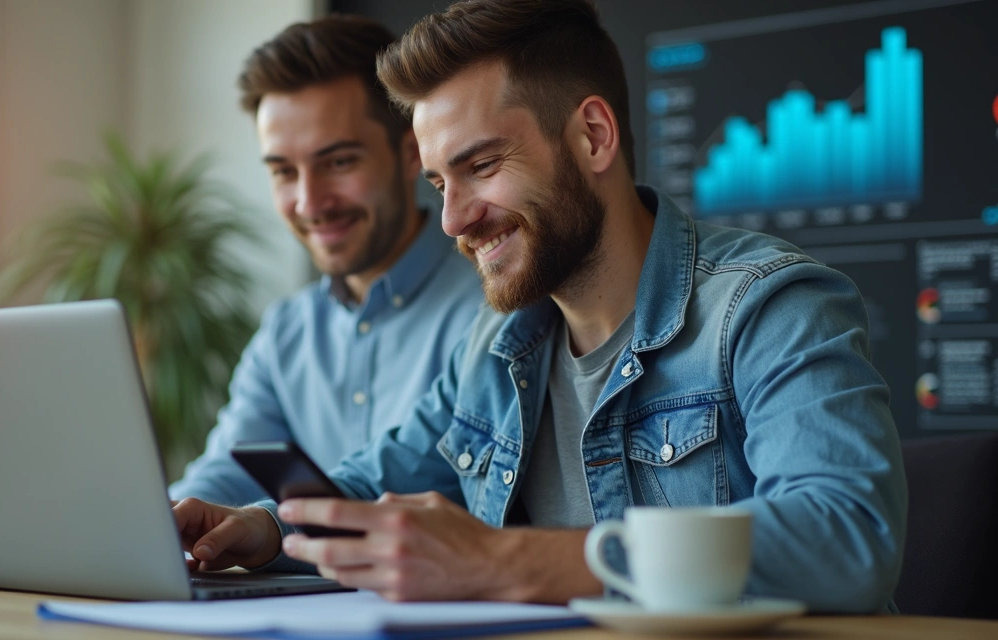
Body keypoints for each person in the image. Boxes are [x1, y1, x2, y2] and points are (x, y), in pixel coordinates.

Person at [172, 0, 907, 613]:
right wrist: (263, 530)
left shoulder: (769, 307)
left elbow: (846, 536)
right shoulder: (497, 343)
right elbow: (378, 481)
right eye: (439, 184)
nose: (453, 220)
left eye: (482, 165)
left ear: (592, 137)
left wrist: (503, 561)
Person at [167, 16, 484, 504]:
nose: (310, 202)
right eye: (283, 172)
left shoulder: (492, 308)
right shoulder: (286, 332)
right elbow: (227, 474)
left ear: (411, 154)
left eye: (338, 162)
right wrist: (170, 520)